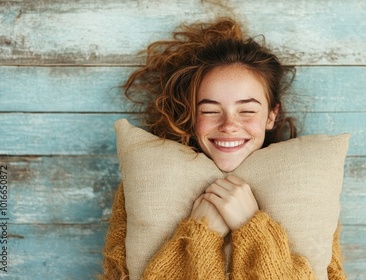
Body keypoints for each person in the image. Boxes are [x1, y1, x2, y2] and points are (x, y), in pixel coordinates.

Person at [101, 18, 346, 279]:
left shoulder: (310, 188)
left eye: (247, 110)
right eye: (210, 110)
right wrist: (201, 234)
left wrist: (251, 228)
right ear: (192, 115)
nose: (229, 125)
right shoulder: (146, 185)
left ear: (271, 115)